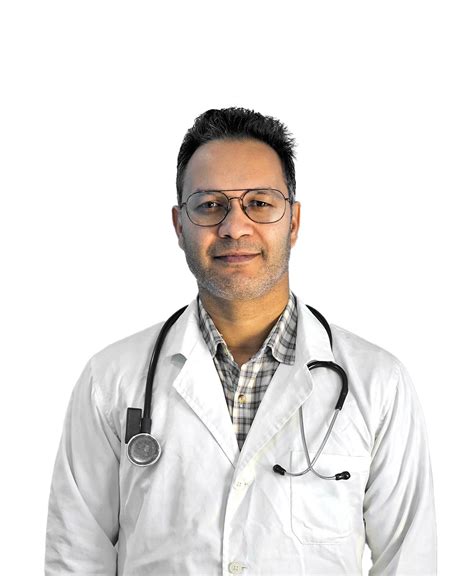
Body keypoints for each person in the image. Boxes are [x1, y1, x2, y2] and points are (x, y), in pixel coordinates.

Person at [45, 107, 437, 575]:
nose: (234, 226)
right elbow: (75, 558)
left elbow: (408, 561)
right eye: (210, 204)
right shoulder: (111, 380)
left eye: (260, 203)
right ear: (179, 225)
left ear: (293, 221)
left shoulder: (378, 383)